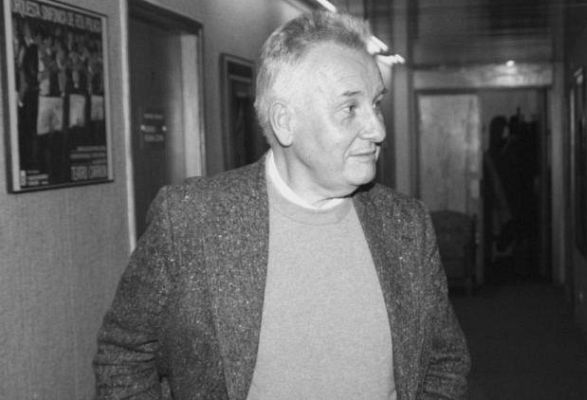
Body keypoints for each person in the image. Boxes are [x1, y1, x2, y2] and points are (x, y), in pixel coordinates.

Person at [93, 10, 470, 399]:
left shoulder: (406, 225)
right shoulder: (191, 220)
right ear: (285, 122)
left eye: (376, 104)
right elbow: (123, 355)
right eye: (350, 108)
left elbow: (445, 362)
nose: (378, 129)